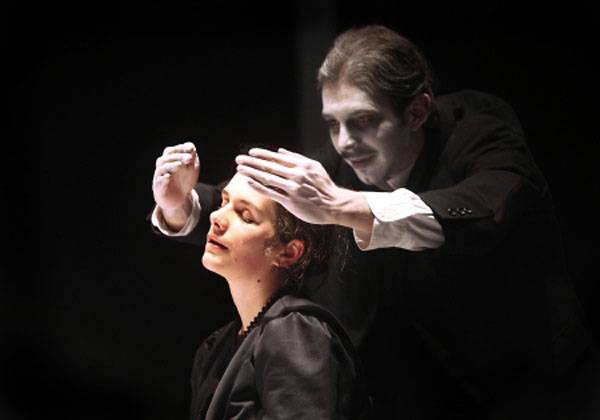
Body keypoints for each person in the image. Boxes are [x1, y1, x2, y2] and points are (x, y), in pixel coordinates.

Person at [151, 25, 598, 419]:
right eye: (332, 124)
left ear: (417, 112)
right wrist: (181, 205)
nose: (344, 143)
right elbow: (265, 210)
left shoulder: (478, 131)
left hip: (536, 385)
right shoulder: (347, 165)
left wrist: (340, 205)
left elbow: (488, 206)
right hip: (423, 396)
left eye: (362, 121)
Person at [168, 169, 368, 419]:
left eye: (245, 216)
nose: (217, 217)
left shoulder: (294, 332)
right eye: (223, 202)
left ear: (288, 253)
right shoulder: (218, 346)